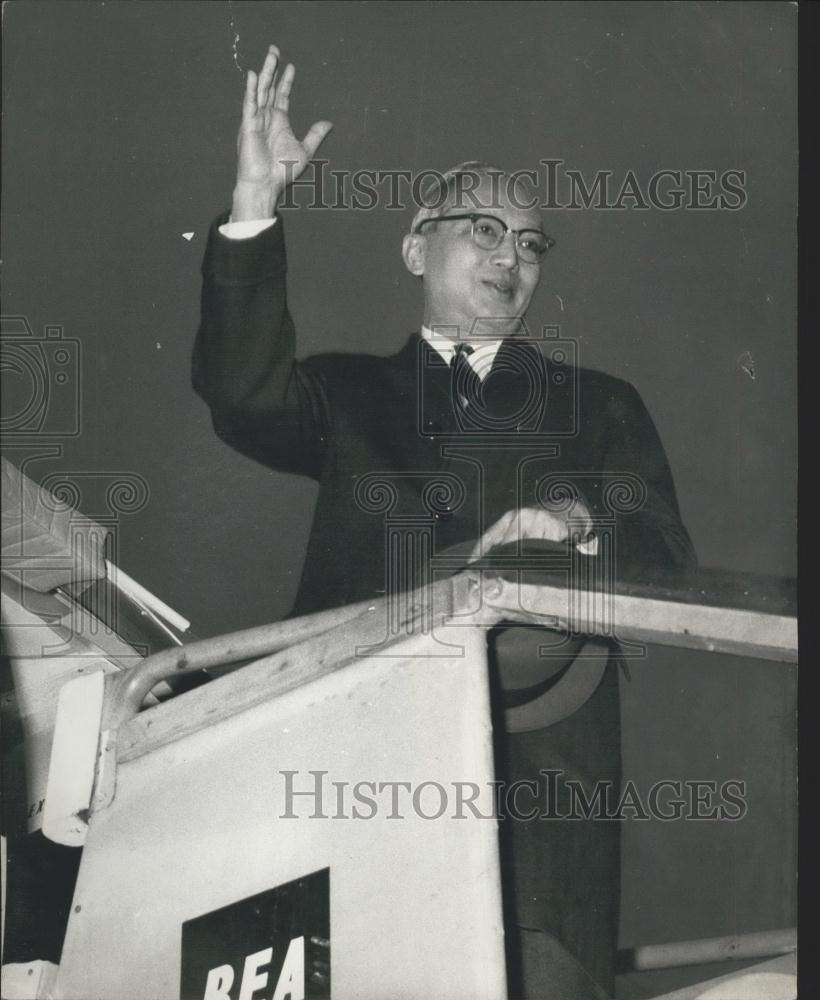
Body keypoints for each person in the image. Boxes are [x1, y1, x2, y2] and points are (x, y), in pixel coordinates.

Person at [193, 45, 696, 999]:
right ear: (416, 247)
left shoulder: (603, 407)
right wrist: (255, 200)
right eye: (483, 229)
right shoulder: (346, 394)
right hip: (351, 790)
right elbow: (242, 392)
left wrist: (575, 517)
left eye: (530, 243)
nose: (511, 256)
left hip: (538, 825)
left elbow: (668, 550)